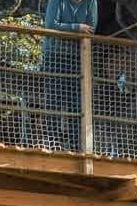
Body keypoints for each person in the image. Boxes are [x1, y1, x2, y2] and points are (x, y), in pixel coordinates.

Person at [42, 0, 98, 151]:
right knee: (54, 99)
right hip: (54, 55)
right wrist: (76, 28)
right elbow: (51, 25)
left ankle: (75, 145)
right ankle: (53, 142)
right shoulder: (57, 1)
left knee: (76, 103)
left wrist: (65, 29)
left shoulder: (91, 2)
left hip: (77, 57)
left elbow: (91, 28)